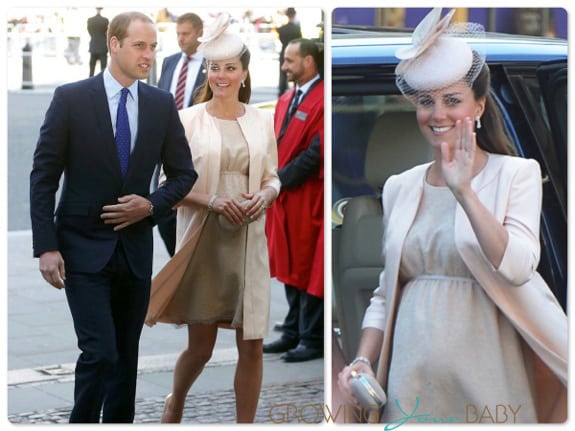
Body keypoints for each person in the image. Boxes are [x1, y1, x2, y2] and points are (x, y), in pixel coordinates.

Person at [336, 8, 567, 424]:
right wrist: (362, 361)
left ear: (478, 105)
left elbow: (516, 267)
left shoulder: (516, 174)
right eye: (427, 101)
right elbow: (386, 293)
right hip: (411, 374)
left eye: (452, 100)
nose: (437, 114)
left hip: (490, 375)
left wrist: (463, 190)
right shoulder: (400, 186)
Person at [29, 11, 197, 423]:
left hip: (135, 251)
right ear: (115, 44)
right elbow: (44, 176)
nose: (149, 55)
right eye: (141, 45)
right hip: (82, 250)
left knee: (125, 358)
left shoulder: (159, 103)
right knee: (99, 351)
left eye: (154, 47)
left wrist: (152, 205)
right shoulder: (70, 98)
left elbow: (184, 174)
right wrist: (46, 246)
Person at [145, 13, 280, 423]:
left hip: (248, 239)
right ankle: (176, 400)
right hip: (204, 239)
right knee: (201, 346)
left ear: (243, 72)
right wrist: (215, 202)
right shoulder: (187, 120)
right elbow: (170, 184)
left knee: (252, 343)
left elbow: (274, 176)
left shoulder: (261, 119)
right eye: (214, 68)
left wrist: (265, 196)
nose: (221, 76)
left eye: (229, 68)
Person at [264, 38, 324, 363]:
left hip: (308, 198)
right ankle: (292, 331)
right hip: (286, 198)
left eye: (290, 60)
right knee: (289, 266)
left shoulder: (322, 99)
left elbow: (315, 154)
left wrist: (278, 180)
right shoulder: (287, 98)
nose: (284, 66)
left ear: (309, 62)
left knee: (309, 268)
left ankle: (312, 337)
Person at [155, 12, 206, 256]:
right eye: (178, 34)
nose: (181, 39)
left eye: (185, 34)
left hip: (195, 145)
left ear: (199, 32)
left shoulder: (212, 65)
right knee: (163, 211)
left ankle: (187, 263)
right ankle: (179, 260)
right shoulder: (170, 61)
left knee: (188, 206)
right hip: (163, 145)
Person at [276, 8, 301, 96]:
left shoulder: (282, 29)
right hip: (295, 52)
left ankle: (281, 91)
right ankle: (295, 91)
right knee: (296, 72)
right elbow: (299, 41)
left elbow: (280, 39)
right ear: (294, 15)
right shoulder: (297, 28)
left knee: (283, 73)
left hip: (284, 51)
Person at [87, 7, 109, 77]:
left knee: (92, 68)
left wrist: (94, 37)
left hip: (94, 45)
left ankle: (90, 83)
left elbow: (89, 31)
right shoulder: (105, 20)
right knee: (103, 68)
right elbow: (107, 32)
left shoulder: (90, 20)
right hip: (103, 46)